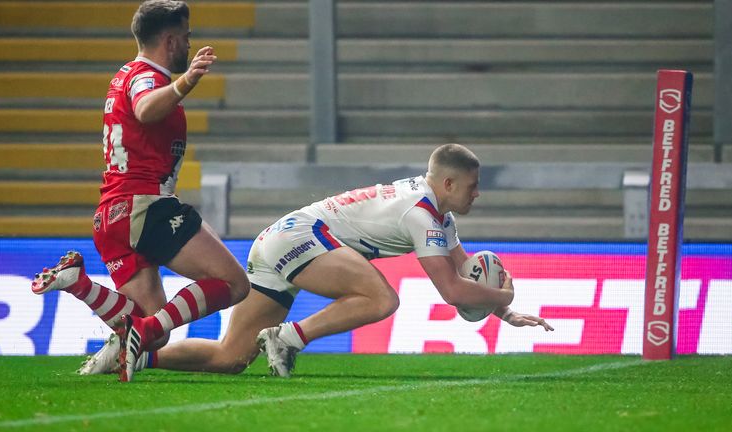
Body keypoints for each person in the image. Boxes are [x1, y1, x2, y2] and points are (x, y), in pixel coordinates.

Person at [82, 143, 554, 379]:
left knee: (229, 359)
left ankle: (136, 353)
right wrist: (502, 293)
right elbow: (452, 291)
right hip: (302, 238)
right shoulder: (422, 213)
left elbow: (460, 269)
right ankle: (286, 338)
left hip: (282, 240)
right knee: (381, 297)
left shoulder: (435, 212)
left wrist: (503, 310)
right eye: (473, 185)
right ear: (449, 184)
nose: (478, 193)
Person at [30, 0, 250, 382]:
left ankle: (79, 284)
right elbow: (147, 109)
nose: (188, 44)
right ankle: (140, 332)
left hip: (111, 214)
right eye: (186, 37)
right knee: (235, 284)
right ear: (169, 40)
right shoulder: (148, 76)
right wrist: (187, 81)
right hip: (144, 206)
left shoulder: (123, 75)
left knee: (158, 328)